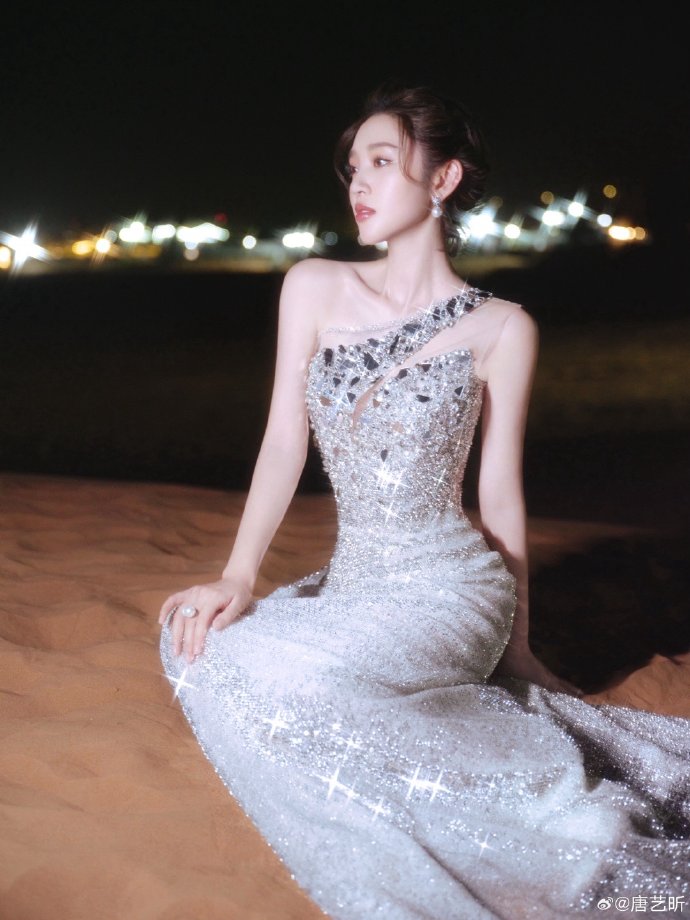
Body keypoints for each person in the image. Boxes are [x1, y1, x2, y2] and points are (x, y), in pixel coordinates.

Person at [158, 84, 689, 919]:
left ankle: (547, 815)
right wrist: (236, 575)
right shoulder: (314, 285)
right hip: (357, 584)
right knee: (199, 648)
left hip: (453, 590)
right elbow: (283, 444)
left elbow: (500, 495)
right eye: (352, 167)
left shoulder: (503, 327)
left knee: (302, 687)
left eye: (381, 161)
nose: (359, 184)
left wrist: (517, 648)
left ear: (443, 179)